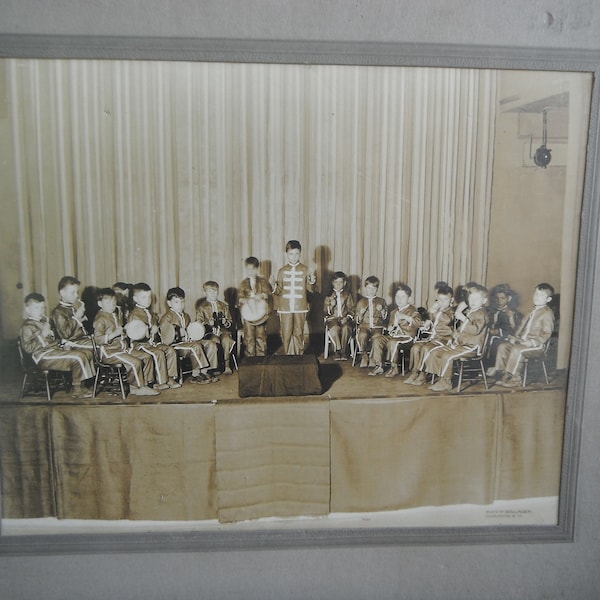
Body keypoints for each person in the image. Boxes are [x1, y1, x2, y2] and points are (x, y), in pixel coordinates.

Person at [20, 292, 95, 399]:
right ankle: (77, 389)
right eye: (36, 308)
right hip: (42, 356)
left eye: (42, 308)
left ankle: (81, 385)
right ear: (27, 310)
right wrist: (42, 335)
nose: (41, 311)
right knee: (78, 356)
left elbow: (52, 340)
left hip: (53, 351)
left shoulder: (43, 322)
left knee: (86, 353)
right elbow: (28, 348)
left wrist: (62, 344)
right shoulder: (27, 326)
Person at [420, 284, 489, 392]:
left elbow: (475, 329)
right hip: (461, 345)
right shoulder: (470, 312)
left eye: (476, 299)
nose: (473, 301)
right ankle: (439, 376)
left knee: (447, 355)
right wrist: (455, 336)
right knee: (436, 352)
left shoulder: (481, 313)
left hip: (472, 347)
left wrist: (463, 318)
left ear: (484, 301)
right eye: (471, 298)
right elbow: (461, 330)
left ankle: (446, 381)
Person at [93, 288, 159, 396]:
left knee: (147, 357)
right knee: (135, 362)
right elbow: (98, 339)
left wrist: (126, 328)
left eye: (114, 301)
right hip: (109, 352)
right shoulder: (100, 319)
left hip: (122, 349)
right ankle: (136, 387)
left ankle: (146, 383)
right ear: (100, 304)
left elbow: (120, 331)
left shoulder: (115, 313)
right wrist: (114, 334)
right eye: (108, 302)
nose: (112, 305)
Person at [490, 283, 556, 388]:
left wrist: (532, 342)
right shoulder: (531, 311)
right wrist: (515, 338)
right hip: (522, 342)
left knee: (517, 349)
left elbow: (546, 333)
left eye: (541, 295)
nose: (537, 297)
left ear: (548, 299)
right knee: (503, 346)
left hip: (536, 347)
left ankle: (516, 378)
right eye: (536, 294)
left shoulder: (547, 313)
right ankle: (505, 374)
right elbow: (521, 327)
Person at [128, 282, 181, 390]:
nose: (147, 300)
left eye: (149, 297)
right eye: (143, 297)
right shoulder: (134, 314)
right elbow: (134, 334)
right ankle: (161, 381)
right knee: (158, 353)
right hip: (140, 345)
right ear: (135, 299)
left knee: (170, 350)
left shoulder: (150, 312)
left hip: (153, 343)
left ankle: (170, 377)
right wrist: (149, 330)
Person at [159, 287, 218, 384]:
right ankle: (195, 374)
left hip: (188, 343)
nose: (181, 305)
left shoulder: (186, 316)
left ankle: (206, 371)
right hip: (175, 346)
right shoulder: (166, 317)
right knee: (196, 346)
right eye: (177, 302)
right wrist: (177, 333)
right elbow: (165, 338)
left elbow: (190, 332)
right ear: (169, 303)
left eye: (182, 302)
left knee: (210, 343)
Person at [270, 240, 316, 355]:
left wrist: (311, 281)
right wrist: (273, 285)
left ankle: (299, 357)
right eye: (291, 254)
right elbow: (278, 290)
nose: (294, 257)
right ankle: (288, 356)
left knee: (299, 332)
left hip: (301, 307)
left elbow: (310, 290)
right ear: (286, 254)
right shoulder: (282, 271)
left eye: (296, 254)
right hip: (285, 308)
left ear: (300, 253)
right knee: (286, 333)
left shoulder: (305, 269)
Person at [405, 284, 455, 385]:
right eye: (440, 300)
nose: (442, 302)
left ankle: (423, 374)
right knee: (416, 347)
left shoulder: (452, 311)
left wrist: (435, 312)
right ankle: (415, 372)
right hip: (433, 338)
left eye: (445, 299)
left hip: (444, 340)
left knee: (426, 348)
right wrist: (428, 322)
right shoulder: (438, 311)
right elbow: (431, 320)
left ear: (452, 300)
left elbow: (447, 320)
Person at [370, 283, 422, 377]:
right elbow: (391, 326)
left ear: (409, 298)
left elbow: (418, 323)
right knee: (377, 339)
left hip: (407, 338)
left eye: (403, 297)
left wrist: (406, 317)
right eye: (397, 296)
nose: (399, 299)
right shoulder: (393, 312)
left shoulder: (413, 310)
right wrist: (390, 328)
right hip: (394, 336)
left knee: (392, 342)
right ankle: (379, 365)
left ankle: (394, 367)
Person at [196, 281, 236, 375]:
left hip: (223, 331)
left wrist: (225, 322)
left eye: (215, 291)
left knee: (226, 339)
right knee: (214, 341)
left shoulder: (224, 306)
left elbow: (230, 322)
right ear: (204, 293)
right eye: (210, 291)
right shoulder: (202, 307)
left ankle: (227, 365)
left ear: (218, 292)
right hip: (210, 333)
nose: (213, 294)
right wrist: (207, 323)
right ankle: (214, 366)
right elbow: (199, 323)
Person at [237, 257, 273, 357]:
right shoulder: (243, 283)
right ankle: (250, 358)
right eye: (248, 269)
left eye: (252, 269)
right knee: (249, 337)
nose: (250, 271)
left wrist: (260, 295)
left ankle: (261, 358)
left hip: (260, 315)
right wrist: (246, 300)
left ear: (257, 269)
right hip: (249, 315)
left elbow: (267, 294)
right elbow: (240, 298)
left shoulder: (263, 281)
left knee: (261, 336)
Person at [50, 275, 94, 354]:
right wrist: (77, 317)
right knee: (100, 346)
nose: (76, 295)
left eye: (77, 292)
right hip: (69, 344)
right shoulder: (58, 311)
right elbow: (65, 334)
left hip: (81, 340)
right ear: (62, 293)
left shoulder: (71, 308)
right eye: (73, 292)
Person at [354, 276, 388, 368]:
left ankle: (373, 357)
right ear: (365, 288)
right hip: (364, 326)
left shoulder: (381, 301)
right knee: (362, 335)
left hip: (377, 326)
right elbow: (357, 319)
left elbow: (385, 318)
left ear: (377, 289)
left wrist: (382, 311)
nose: (371, 290)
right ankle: (364, 355)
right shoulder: (361, 302)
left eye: (374, 288)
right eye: (369, 288)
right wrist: (360, 314)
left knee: (376, 337)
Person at [485, 284, 522, 370]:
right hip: (489, 335)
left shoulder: (512, 313)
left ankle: (494, 368)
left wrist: (499, 331)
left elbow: (515, 331)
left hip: (504, 337)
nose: (499, 301)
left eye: (502, 298)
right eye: (497, 298)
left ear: (508, 299)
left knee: (496, 343)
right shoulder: (490, 310)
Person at [323, 271, 355, 360]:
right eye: (336, 282)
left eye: (340, 282)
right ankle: (337, 350)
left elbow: (351, 310)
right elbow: (325, 311)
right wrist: (331, 306)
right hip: (332, 319)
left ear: (344, 283)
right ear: (332, 283)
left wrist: (347, 317)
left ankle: (344, 352)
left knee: (346, 328)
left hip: (344, 318)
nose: (338, 284)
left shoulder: (347, 295)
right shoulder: (328, 296)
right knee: (335, 328)